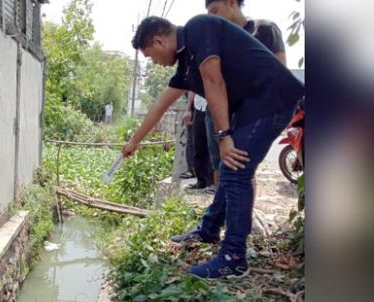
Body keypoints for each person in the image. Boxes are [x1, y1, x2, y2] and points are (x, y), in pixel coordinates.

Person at [121, 15, 303, 279]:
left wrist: (224, 136)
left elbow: (214, 81)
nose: (155, 63)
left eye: (150, 56)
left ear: (159, 41)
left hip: (272, 98)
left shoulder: (199, 28)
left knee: (235, 170)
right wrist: (133, 142)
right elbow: (160, 105)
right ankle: (209, 229)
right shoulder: (185, 65)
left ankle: (234, 257)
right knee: (229, 168)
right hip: (253, 106)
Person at [204, 0, 288, 187]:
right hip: (218, 113)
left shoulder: (264, 29)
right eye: (209, 13)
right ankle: (222, 214)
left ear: (232, 3)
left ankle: (241, 214)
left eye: (215, 11)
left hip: (249, 113)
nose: (212, 17)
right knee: (220, 164)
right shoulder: (216, 40)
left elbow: (281, 73)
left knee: (242, 167)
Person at [183, 92, 214, 191]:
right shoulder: (196, 77)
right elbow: (192, 89)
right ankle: (201, 180)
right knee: (198, 144)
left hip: (214, 106)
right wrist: (188, 109)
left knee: (212, 146)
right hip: (198, 107)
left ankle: (212, 182)